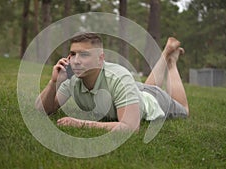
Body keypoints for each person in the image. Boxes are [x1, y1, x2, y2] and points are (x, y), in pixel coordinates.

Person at [35, 32, 189, 131]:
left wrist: (80, 123)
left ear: (100, 59)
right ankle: (167, 52)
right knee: (146, 87)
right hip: (132, 89)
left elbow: (130, 126)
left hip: (151, 100)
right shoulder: (71, 76)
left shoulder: (119, 77)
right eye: (73, 54)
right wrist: (53, 82)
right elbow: (43, 110)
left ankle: (172, 62)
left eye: (84, 55)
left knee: (183, 108)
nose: (75, 61)